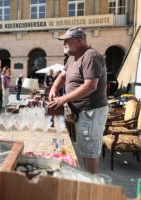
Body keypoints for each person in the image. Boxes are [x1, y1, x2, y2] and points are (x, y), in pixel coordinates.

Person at [48, 27, 108, 174]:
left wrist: (63, 99)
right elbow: (62, 76)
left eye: (67, 41)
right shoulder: (72, 58)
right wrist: (54, 88)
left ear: (79, 41)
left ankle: (90, 183)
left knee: (90, 151)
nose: (63, 44)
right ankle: (86, 177)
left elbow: (90, 86)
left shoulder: (91, 56)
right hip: (81, 112)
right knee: (84, 148)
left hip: (91, 111)